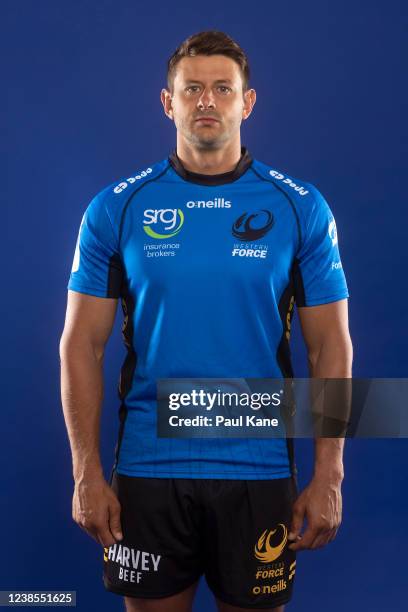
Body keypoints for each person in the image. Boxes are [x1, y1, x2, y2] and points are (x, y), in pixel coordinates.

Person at [59, 30, 353, 612]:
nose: (207, 102)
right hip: (149, 467)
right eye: (192, 89)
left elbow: (332, 349)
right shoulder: (116, 208)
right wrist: (86, 473)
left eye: (223, 88)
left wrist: (330, 475)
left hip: (259, 468)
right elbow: (79, 347)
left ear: (247, 102)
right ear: (168, 102)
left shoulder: (299, 207)